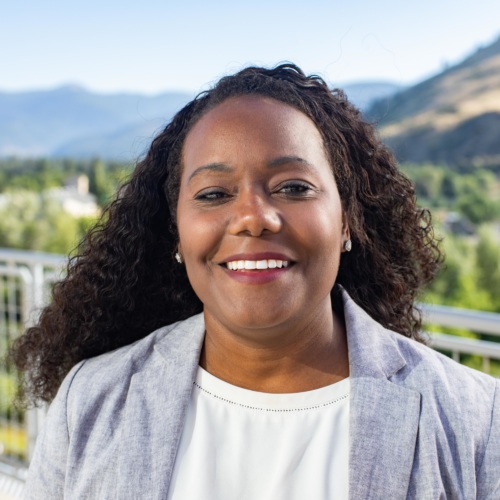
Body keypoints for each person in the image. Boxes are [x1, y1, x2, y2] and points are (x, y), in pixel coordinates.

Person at [12, 64, 499, 499]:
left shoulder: (478, 421)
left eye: (293, 187)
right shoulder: (90, 402)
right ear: (176, 233)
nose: (252, 217)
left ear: (347, 220)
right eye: (214, 193)